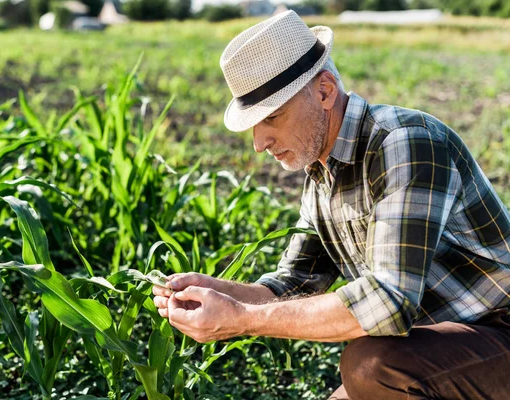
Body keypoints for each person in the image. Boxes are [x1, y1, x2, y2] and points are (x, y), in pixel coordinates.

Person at [152, 10, 510, 400]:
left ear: (324, 90)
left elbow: (388, 303)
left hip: (499, 331)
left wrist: (242, 319)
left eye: (273, 116)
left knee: (370, 367)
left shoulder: (404, 144)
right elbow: (293, 284)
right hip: (445, 347)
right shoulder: (321, 173)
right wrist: (224, 295)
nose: (259, 142)